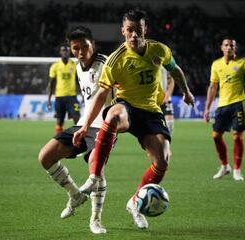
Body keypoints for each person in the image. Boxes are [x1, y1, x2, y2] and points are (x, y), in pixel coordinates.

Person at [73, 9, 194, 229]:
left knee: (163, 160)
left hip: (151, 110)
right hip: (127, 107)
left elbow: (175, 70)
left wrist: (186, 92)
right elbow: (101, 95)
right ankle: (93, 178)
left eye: (138, 30)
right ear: (123, 31)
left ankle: (135, 202)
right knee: (113, 114)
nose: (134, 35)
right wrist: (86, 126)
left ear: (144, 29)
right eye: (129, 30)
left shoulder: (159, 50)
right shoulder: (115, 60)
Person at [38, 26, 114, 234]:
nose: (80, 52)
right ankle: (75, 195)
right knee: (45, 156)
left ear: (93, 45)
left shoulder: (107, 64)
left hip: (105, 126)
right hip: (84, 124)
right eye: (75, 48)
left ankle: (95, 220)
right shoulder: (78, 66)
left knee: (95, 167)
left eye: (85, 47)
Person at [203, 38, 245, 181]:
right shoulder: (216, 64)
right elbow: (212, 87)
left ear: (235, 48)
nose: (229, 47)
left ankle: (237, 169)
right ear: (221, 48)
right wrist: (206, 108)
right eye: (226, 45)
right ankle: (225, 166)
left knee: (237, 136)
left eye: (232, 45)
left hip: (239, 104)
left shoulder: (244, 63)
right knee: (216, 136)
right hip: (222, 105)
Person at [47, 43, 80, 135]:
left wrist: (83, 94)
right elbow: (51, 84)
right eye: (63, 50)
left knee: (77, 117)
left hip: (72, 97)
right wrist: (49, 100)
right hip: (59, 97)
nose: (65, 52)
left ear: (70, 52)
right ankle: (58, 141)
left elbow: (78, 81)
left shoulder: (74, 65)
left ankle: (79, 140)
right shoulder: (55, 66)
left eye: (67, 50)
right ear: (60, 52)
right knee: (59, 121)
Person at [160, 67, 175, 135]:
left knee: (170, 125)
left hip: (165, 99)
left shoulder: (164, 61)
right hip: (152, 100)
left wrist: (167, 96)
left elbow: (171, 80)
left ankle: (167, 144)